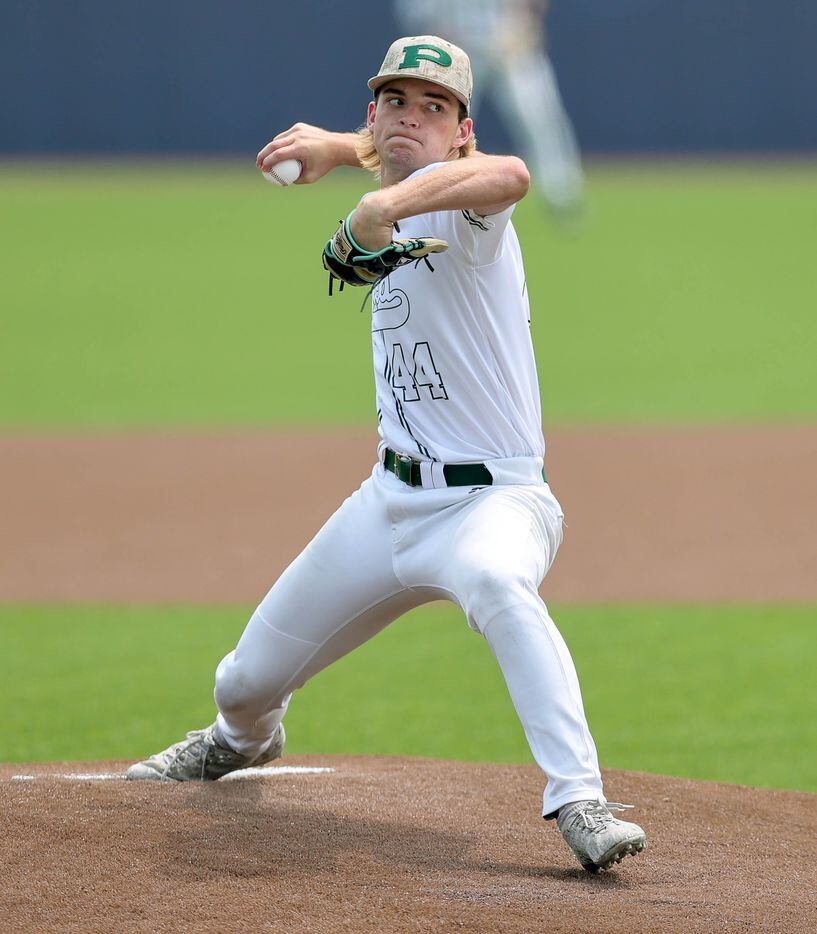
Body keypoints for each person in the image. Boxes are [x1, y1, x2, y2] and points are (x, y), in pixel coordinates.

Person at [126, 35, 645, 874]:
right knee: (242, 683)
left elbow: (511, 175)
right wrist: (344, 154)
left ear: (461, 133)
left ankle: (578, 799)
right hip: (386, 503)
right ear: (372, 115)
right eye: (397, 103)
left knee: (496, 582)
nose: (413, 118)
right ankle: (238, 743)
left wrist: (379, 203)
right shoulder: (381, 165)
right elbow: (389, 157)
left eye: (434, 108)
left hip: (494, 504)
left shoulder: (469, 213)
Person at [394, 0, 584, 217]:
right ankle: (424, 191)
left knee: (539, 119)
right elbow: (418, 11)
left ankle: (561, 193)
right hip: (456, 48)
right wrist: (436, 34)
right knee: (443, 124)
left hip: (509, 44)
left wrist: (526, 24)